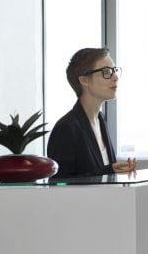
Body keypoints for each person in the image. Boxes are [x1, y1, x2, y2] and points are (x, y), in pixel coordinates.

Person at [47, 47, 137, 178]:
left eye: (114, 70)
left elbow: (97, 172)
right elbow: (60, 184)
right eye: (106, 72)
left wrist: (112, 171)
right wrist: (106, 171)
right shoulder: (66, 128)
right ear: (84, 80)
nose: (115, 77)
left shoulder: (101, 120)